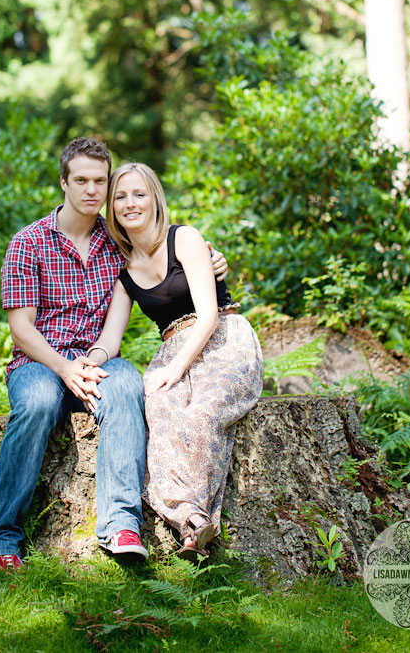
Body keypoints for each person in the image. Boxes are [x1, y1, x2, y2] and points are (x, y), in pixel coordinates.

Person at [0, 137, 228, 570]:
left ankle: (121, 526)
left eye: (100, 181)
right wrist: (63, 368)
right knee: (38, 402)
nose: (92, 190)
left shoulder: (116, 241)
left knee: (128, 386)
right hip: (41, 362)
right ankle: (4, 538)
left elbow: (163, 253)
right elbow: (21, 328)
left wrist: (212, 260)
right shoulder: (29, 242)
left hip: (99, 356)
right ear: (64, 182)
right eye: (81, 180)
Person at [86, 162, 263, 559]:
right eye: (120, 197)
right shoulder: (125, 271)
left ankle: (196, 514)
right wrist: (88, 363)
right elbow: (110, 340)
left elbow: (209, 314)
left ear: (154, 199)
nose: (130, 203)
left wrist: (177, 369)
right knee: (161, 409)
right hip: (172, 348)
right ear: (112, 208)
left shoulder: (184, 239)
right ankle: (191, 523)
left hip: (223, 341)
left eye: (139, 194)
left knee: (203, 412)